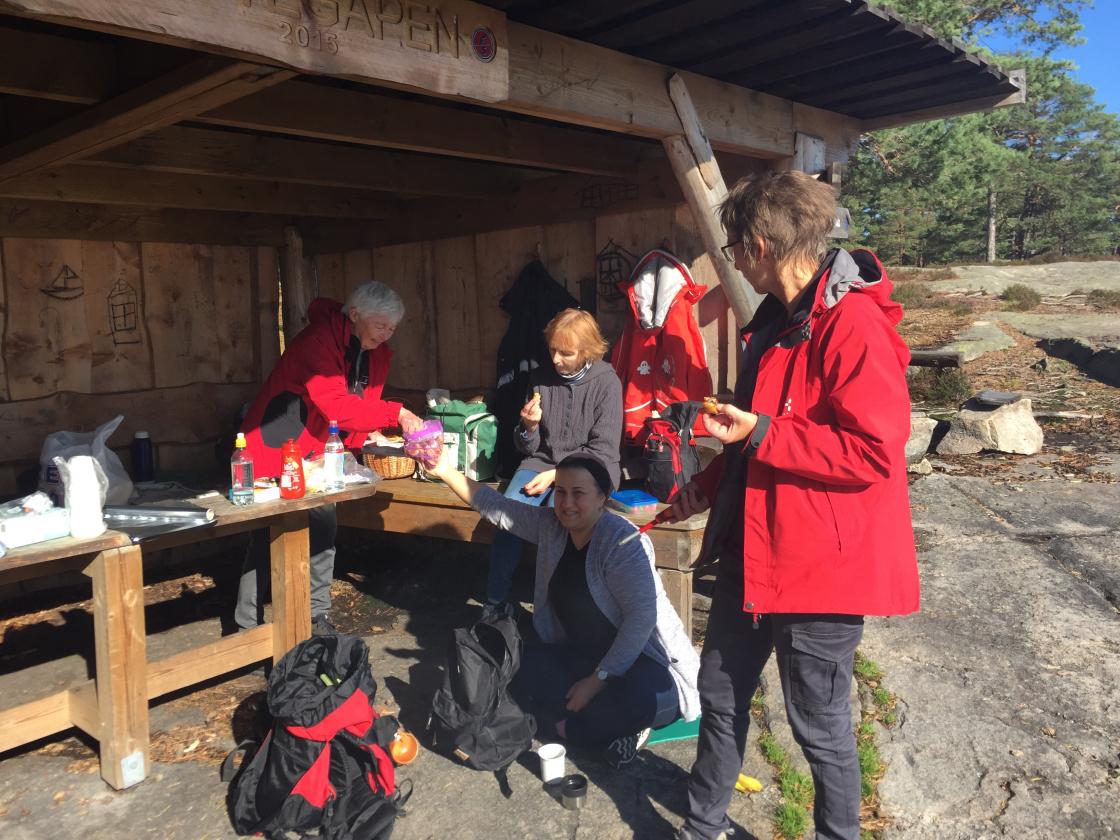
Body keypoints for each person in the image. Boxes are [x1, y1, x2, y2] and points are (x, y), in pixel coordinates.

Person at [670, 171, 920, 840]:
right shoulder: (775, 324)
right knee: (720, 696)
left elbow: (873, 452)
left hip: (819, 568)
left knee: (819, 727)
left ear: (757, 246)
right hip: (752, 551)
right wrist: (703, 486)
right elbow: (755, 438)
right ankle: (702, 827)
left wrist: (761, 432)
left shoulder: (852, 323)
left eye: (733, 247)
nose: (734, 260)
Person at [428, 449, 699, 767]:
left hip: (646, 666)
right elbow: (496, 507)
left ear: (602, 498)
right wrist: (442, 469)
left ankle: (584, 727)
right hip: (582, 656)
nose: (567, 503)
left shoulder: (622, 543)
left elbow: (642, 620)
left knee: (637, 699)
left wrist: (596, 681)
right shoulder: (550, 525)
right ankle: (585, 727)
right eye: (560, 492)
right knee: (519, 666)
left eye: (578, 493)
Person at [234, 281, 422, 634]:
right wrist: (395, 413)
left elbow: (359, 403)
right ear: (356, 315)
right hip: (276, 446)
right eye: (381, 325)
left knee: (322, 532)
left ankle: (316, 616)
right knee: (267, 538)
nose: (386, 334)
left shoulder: (374, 353)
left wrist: (366, 435)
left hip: (318, 453)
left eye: (393, 328)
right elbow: (335, 405)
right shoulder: (317, 342)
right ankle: (247, 624)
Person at [485, 308, 623, 611]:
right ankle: (495, 603)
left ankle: (561, 608)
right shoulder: (540, 378)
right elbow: (527, 447)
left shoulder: (607, 382)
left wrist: (559, 475)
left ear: (587, 351)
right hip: (542, 464)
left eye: (566, 353)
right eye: (552, 350)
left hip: (592, 468)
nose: (556, 359)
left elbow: (604, 449)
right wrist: (529, 426)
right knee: (508, 516)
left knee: (564, 520)